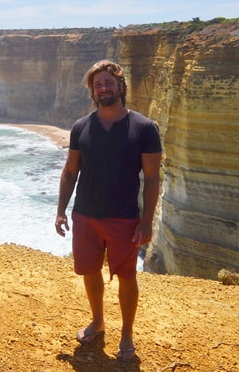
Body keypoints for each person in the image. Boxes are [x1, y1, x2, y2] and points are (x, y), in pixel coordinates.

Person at [55, 59, 162, 363]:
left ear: (119, 87)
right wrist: (61, 210)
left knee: (127, 275)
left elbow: (152, 178)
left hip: (125, 217)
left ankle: (127, 334)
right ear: (93, 90)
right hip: (85, 214)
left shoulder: (144, 128)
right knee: (90, 270)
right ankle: (98, 321)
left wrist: (146, 221)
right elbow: (70, 171)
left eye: (109, 83)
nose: (104, 88)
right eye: (98, 84)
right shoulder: (81, 127)